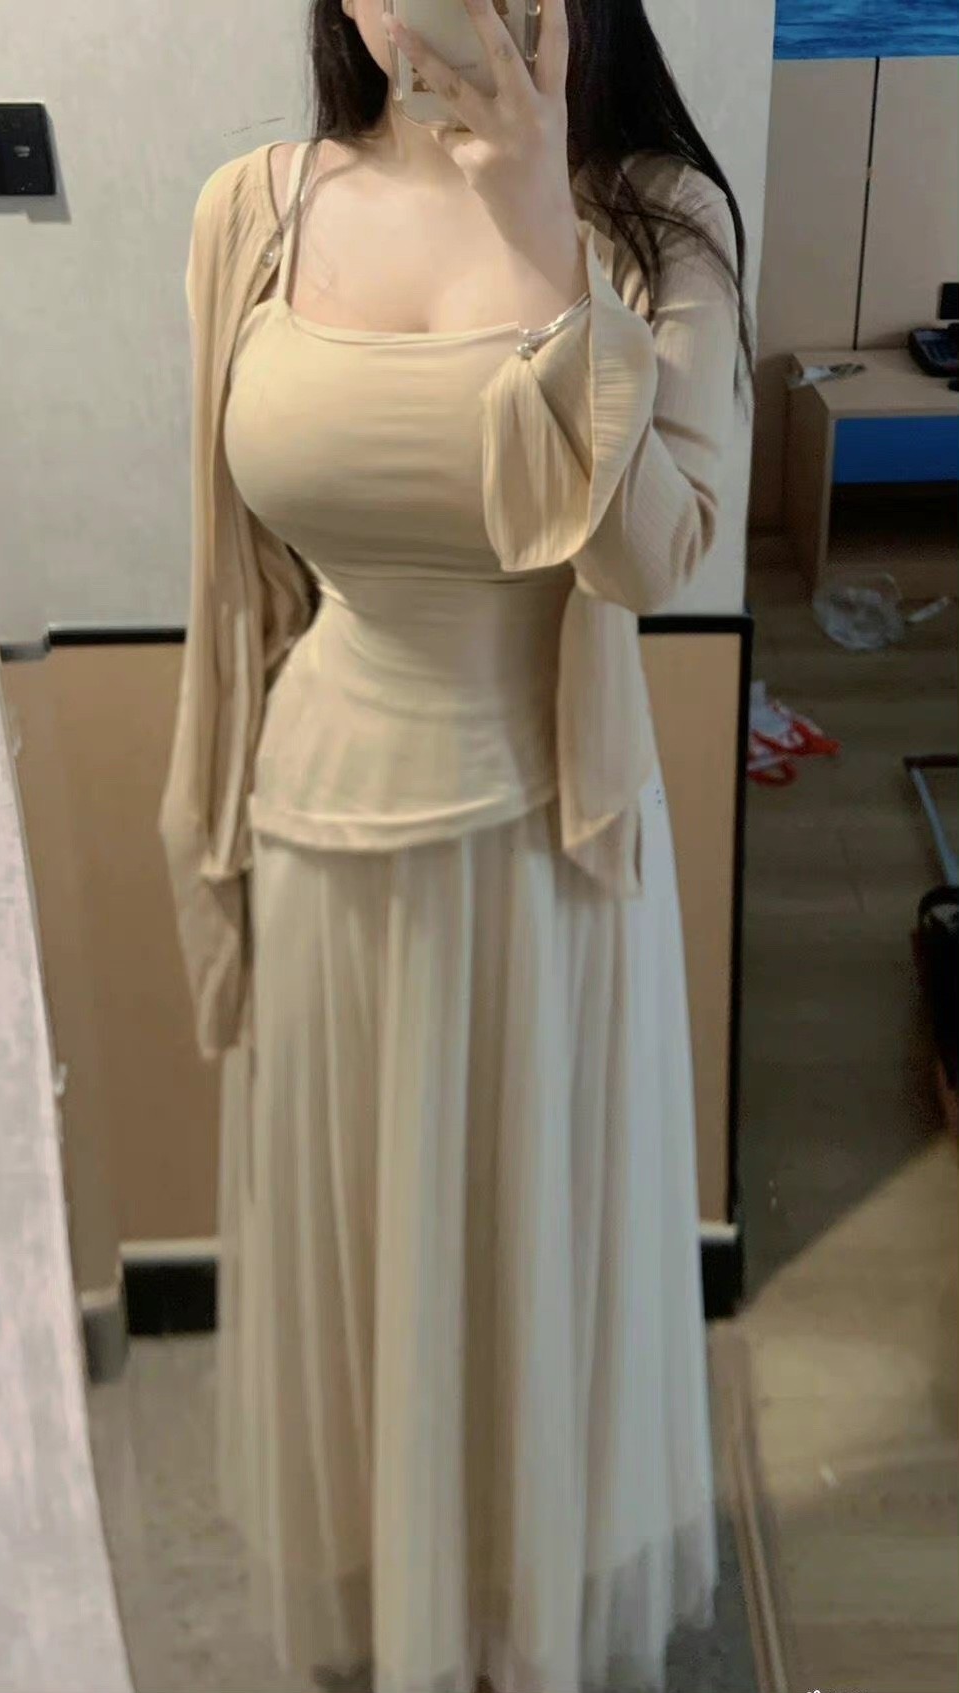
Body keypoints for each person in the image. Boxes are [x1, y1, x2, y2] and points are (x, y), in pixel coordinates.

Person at [158, 2, 753, 1689]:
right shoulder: (255, 211)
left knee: (523, 1271)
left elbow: (654, 560)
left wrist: (544, 245)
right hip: (320, 823)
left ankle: (516, 1632)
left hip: (546, 845)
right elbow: (229, 567)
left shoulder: (655, 223)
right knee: (369, 1274)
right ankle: (407, 1626)